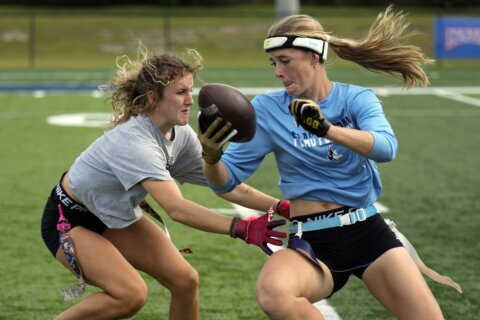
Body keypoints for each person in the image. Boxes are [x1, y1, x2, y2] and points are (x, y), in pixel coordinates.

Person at [199, 6, 445, 320]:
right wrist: (211, 155)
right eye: (274, 63)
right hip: (313, 238)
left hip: (368, 231)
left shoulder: (356, 98)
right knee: (274, 294)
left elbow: (386, 148)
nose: (277, 71)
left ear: (314, 57)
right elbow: (224, 181)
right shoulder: (268, 109)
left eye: (285, 61)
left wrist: (327, 129)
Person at [40, 46, 286, 320]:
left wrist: (280, 206)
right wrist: (240, 227)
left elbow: (226, 184)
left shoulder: (180, 133)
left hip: (113, 217)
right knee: (130, 294)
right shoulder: (135, 142)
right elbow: (176, 209)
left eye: (190, 91)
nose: (190, 101)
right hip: (71, 221)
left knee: (185, 281)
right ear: (153, 97)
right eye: (180, 92)